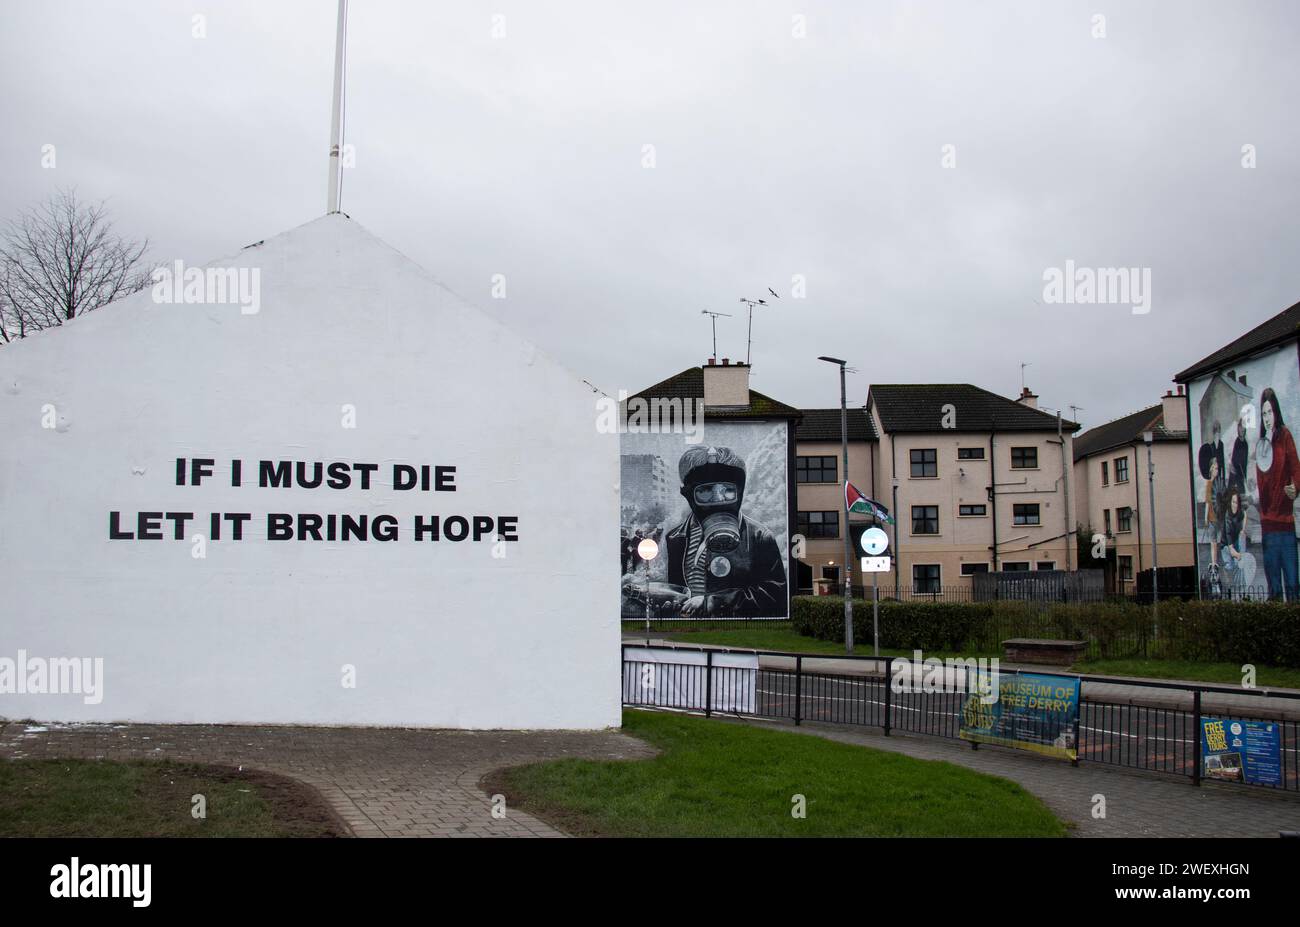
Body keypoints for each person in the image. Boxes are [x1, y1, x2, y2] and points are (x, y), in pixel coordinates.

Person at [664, 445, 787, 617]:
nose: (718, 499)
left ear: (740, 491)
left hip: (733, 629)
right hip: (687, 628)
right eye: (706, 490)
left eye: (728, 490)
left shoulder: (759, 537)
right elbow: (676, 590)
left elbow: (775, 595)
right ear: (688, 494)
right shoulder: (676, 538)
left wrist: (712, 602)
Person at [1255, 388, 1299, 600]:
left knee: (1292, 584)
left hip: (1286, 525)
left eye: (1270, 412)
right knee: (1274, 589)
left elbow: (1296, 469)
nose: (1267, 418)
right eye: (1263, 414)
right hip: (1268, 528)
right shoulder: (1261, 445)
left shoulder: (1285, 436)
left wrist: (1295, 488)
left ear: (1276, 413)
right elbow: (1262, 487)